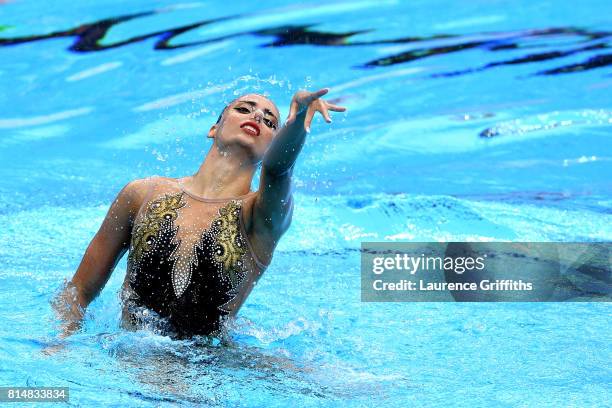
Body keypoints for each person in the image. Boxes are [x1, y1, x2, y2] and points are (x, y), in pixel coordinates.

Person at [52, 88, 346, 339]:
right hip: (128, 358)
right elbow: (77, 291)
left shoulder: (259, 217)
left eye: (270, 122)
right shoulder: (143, 193)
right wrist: (61, 342)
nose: (257, 116)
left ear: (273, 146)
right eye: (244, 109)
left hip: (208, 372)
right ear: (213, 129)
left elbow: (279, 169)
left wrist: (296, 122)